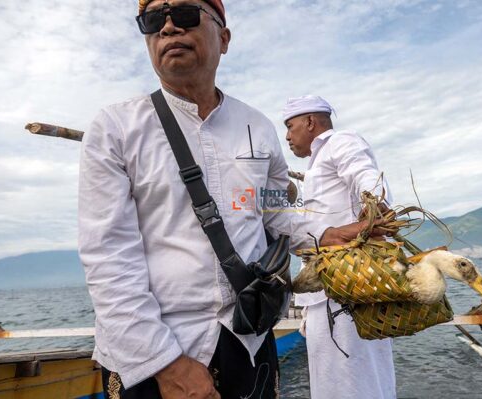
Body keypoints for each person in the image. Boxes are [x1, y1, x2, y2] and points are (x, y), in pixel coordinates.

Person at [78, 2, 368, 398]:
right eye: (152, 21)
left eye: (183, 15)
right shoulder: (115, 128)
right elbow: (108, 256)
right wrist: (166, 363)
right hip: (155, 352)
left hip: (248, 336)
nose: (167, 28)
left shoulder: (258, 127)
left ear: (224, 38)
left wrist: (326, 233)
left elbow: (272, 209)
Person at [283, 95, 397, 399]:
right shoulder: (315, 165)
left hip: (349, 290)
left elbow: (364, 173)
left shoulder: (340, 142)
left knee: (357, 382)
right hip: (326, 292)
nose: (287, 136)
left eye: (290, 126)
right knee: (333, 384)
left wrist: (375, 203)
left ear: (310, 122)